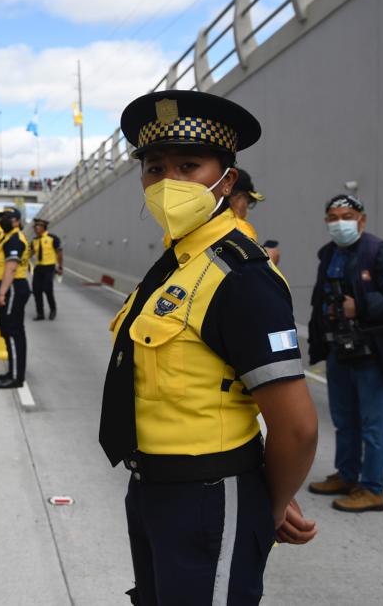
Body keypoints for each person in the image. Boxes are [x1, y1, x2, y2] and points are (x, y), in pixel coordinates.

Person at [100, 90, 319, 605]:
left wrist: (267, 502)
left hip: (209, 497)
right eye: (155, 168)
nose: (168, 183)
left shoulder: (240, 276)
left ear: (227, 178)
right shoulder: (176, 265)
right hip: (153, 491)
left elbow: (297, 425)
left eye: (189, 165)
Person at [306, 194, 383, 512]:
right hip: (340, 351)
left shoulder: (382, 253)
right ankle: (347, 475)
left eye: (347, 215)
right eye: (333, 217)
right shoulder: (328, 254)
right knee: (344, 420)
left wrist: (361, 306)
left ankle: (372, 489)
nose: (340, 222)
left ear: (362, 220)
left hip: (374, 354)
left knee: (374, 424)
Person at [0, 208, 31, 388]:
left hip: (12, 288)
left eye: (7, 218)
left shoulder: (15, 239)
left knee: (13, 332)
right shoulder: (8, 237)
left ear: (16, 221)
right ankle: (13, 370)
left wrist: (2, 293)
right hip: (10, 288)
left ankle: (16, 377)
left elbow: (11, 268)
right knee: (8, 332)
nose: (3, 220)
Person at [228, 168, 280, 265]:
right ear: (239, 198)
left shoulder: (206, 220)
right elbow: (248, 276)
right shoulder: (240, 229)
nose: (247, 208)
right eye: (248, 202)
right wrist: (269, 261)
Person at [30, 218, 63, 320]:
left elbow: (59, 253)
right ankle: (40, 313)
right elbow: (30, 253)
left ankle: (53, 309)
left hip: (49, 267)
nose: (35, 229)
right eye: (35, 227)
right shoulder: (34, 241)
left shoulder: (53, 238)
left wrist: (60, 267)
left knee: (47, 289)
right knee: (36, 290)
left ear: (44, 227)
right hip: (38, 267)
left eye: (38, 226)